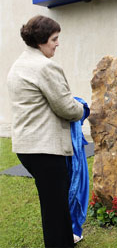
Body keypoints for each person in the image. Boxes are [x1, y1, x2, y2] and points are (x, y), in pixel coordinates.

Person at [7, 15, 84, 247]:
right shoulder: (45, 66)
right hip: (45, 150)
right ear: (41, 41)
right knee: (55, 207)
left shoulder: (19, 63)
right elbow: (67, 108)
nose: (57, 44)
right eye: (54, 39)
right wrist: (84, 109)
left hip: (27, 148)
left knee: (52, 204)